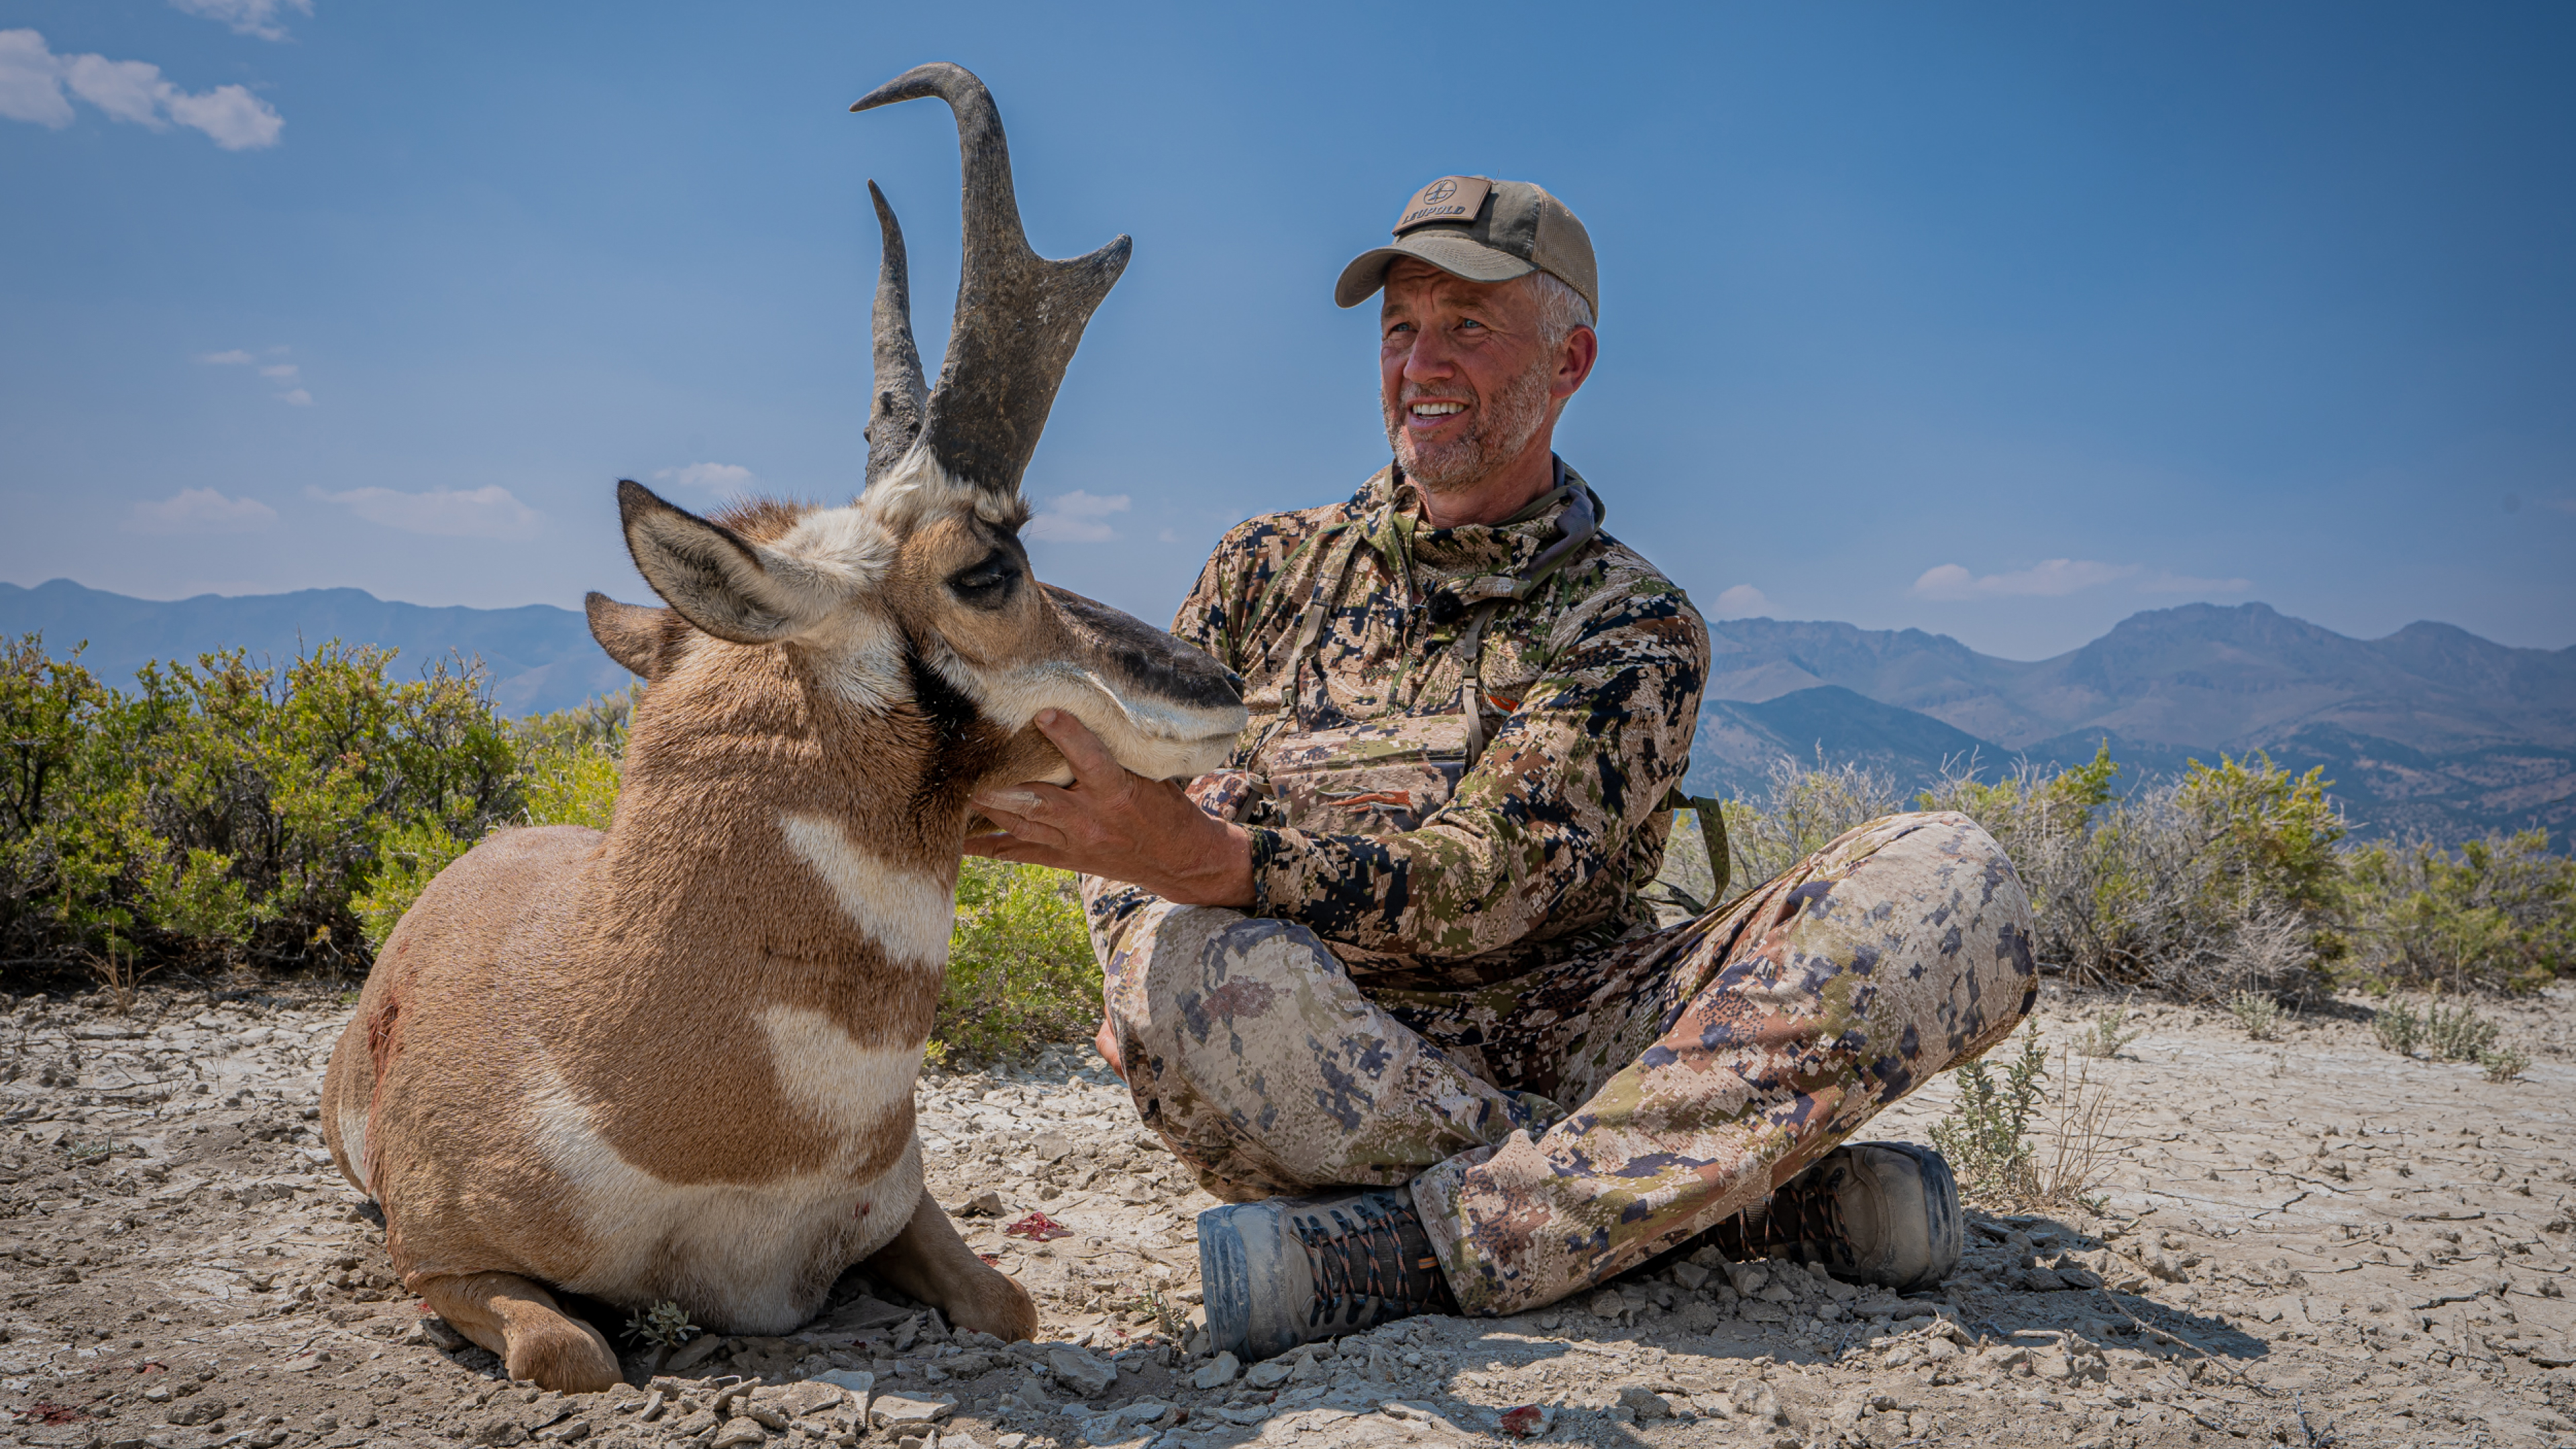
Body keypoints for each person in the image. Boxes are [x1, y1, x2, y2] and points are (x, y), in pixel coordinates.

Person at [965, 175, 2037, 1361]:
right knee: (1194, 969)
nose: (1420, 363)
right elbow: (1127, 799)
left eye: (1467, 326)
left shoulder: (1632, 624)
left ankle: (1432, 1244)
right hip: (1316, 1041)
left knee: (1952, 877)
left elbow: (1490, 879)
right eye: (1400, 329)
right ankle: (1728, 1204)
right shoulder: (1261, 570)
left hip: (1586, 1032)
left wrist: (1223, 862)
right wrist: (1132, 939)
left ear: (1569, 362)